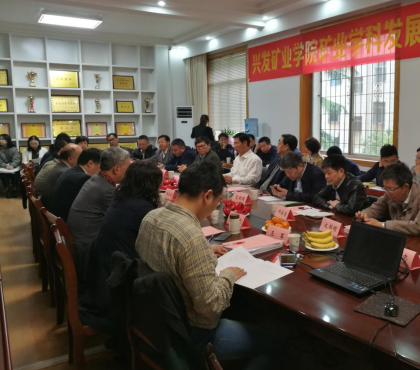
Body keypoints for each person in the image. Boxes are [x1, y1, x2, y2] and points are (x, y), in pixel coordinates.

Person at [136, 162, 280, 368]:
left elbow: (171, 252)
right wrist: (228, 275)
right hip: (191, 332)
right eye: (219, 201)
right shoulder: (191, 238)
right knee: (274, 342)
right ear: (207, 195)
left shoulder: (151, 217)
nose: (217, 206)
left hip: (156, 319)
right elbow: (210, 307)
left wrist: (204, 250)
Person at [86, 160, 163, 324]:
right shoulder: (142, 209)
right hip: (121, 285)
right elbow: (160, 247)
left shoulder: (121, 198)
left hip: (105, 274)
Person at [68, 147, 131, 290]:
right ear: (116, 169)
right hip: (87, 247)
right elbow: (119, 220)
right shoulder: (106, 189)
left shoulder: (97, 179)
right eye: (128, 167)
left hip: (79, 239)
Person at [357, 163, 420, 240]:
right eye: (385, 188)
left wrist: (382, 225)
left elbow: (419, 226)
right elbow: (376, 208)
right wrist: (364, 214)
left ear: (405, 186)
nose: (387, 192)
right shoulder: (390, 193)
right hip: (406, 238)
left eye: (390, 189)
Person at [52, 148, 102, 221]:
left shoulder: (72, 171)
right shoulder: (82, 178)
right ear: (90, 163)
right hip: (67, 221)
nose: (101, 170)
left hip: (57, 216)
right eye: (100, 166)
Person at [41, 144, 83, 212]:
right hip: (53, 211)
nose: (83, 159)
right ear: (70, 159)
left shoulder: (60, 166)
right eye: (81, 156)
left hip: (48, 207)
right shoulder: (66, 172)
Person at [0, 134, 21, 199]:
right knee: (3, 174)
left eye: (2, 139)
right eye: (0, 139)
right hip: (3, 167)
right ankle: (7, 190)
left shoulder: (14, 149)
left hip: (13, 167)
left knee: (15, 174)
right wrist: (5, 166)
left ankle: (15, 189)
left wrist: (12, 165)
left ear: (7, 140)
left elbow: (17, 159)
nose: (0, 141)